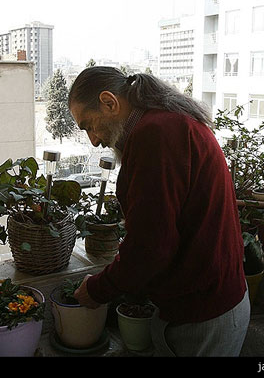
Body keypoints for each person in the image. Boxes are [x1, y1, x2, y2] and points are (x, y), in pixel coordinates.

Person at [69, 66, 250, 357]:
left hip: (204, 315)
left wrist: (98, 289)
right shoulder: (165, 125)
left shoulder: (156, 133)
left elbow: (151, 245)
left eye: (88, 125)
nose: (93, 140)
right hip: (202, 304)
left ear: (109, 102)